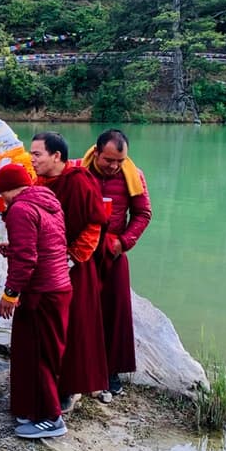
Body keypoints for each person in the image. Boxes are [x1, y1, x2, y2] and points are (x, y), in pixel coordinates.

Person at [30, 132, 110, 410]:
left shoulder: (79, 180)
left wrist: (73, 256)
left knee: (74, 324)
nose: (32, 159)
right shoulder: (37, 182)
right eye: (31, 153)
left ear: (57, 156)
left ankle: (71, 386)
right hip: (44, 266)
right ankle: (44, 380)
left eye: (37, 154)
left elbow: (94, 224)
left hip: (73, 266)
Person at [0, 163, 72, 439]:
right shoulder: (48, 201)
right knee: (39, 352)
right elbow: (43, 245)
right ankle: (32, 408)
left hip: (41, 292)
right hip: (59, 287)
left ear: (5, 191)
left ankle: (51, 418)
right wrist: (12, 249)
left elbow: (28, 260)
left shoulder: (20, 210)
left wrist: (10, 294)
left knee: (38, 354)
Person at [82, 129, 152, 396]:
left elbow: (143, 213)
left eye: (119, 161)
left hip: (112, 251)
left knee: (115, 312)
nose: (113, 166)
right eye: (108, 160)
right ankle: (83, 368)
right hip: (82, 250)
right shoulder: (78, 171)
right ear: (97, 152)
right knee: (82, 310)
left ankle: (111, 372)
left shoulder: (133, 176)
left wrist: (124, 242)